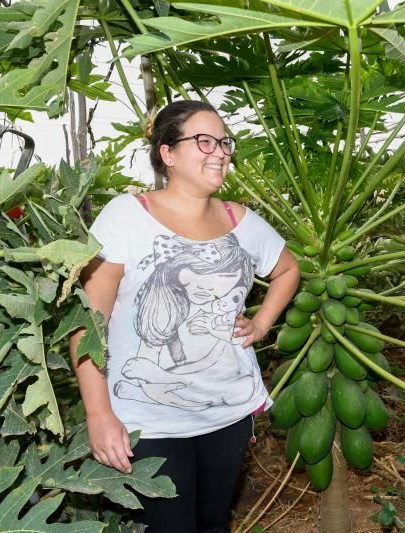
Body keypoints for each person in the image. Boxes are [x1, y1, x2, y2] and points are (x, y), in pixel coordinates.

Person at [70, 100, 300, 532]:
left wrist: (263, 322)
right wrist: (99, 414)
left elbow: (288, 269)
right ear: (168, 153)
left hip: (227, 410)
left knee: (214, 522)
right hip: (147, 418)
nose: (220, 151)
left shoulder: (242, 221)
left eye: (224, 142)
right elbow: (88, 323)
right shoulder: (124, 217)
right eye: (204, 141)